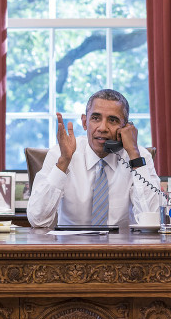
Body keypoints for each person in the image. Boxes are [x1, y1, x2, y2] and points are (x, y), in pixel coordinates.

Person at [27, 89, 161, 228]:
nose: (102, 128)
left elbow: (153, 218)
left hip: (121, 247)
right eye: (96, 118)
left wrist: (134, 154)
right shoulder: (60, 153)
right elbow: (37, 220)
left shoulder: (139, 156)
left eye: (113, 120)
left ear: (126, 127)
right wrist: (64, 161)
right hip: (71, 247)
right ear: (85, 122)